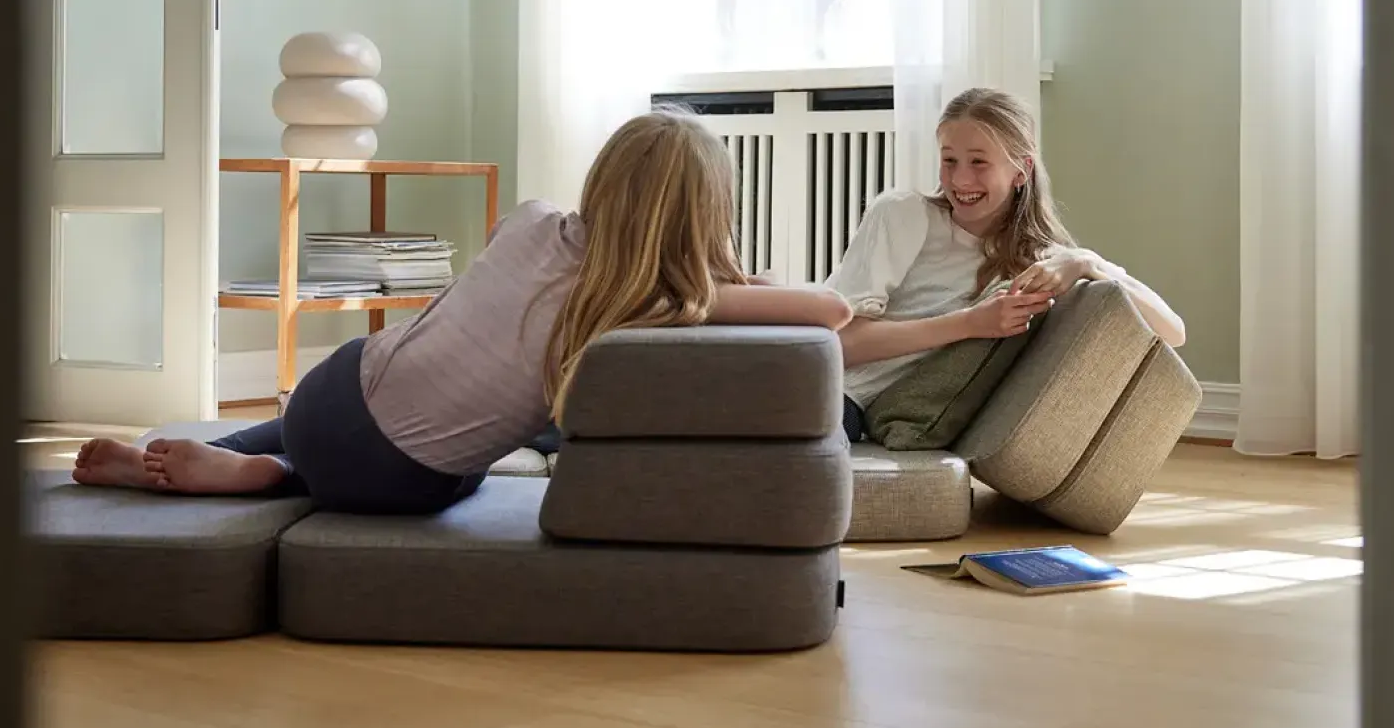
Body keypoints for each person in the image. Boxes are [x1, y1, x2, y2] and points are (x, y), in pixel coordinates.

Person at [72, 109, 851, 514]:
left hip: (328, 398)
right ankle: (277, 477)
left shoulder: (530, 219)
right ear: (703, 216)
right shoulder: (653, 302)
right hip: (396, 486)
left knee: (379, 381)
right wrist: (726, 279)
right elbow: (831, 308)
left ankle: (214, 454)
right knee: (471, 458)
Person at [831, 86, 1185, 442]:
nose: (960, 180)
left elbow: (1172, 331)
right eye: (949, 160)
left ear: (1021, 170)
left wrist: (1084, 260)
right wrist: (970, 323)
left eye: (978, 162)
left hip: (861, 410)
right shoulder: (903, 214)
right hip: (827, 383)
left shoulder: (1042, 263)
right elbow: (840, 342)